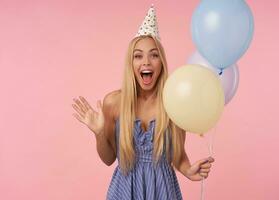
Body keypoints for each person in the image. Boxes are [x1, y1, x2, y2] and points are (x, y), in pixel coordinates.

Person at [72, 5, 215, 200]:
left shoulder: (174, 102)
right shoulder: (114, 103)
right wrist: (99, 133)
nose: (146, 62)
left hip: (163, 190)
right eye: (138, 56)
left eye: (154, 55)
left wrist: (188, 170)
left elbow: (178, 155)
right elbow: (108, 159)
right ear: (131, 64)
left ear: (161, 63)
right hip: (124, 190)